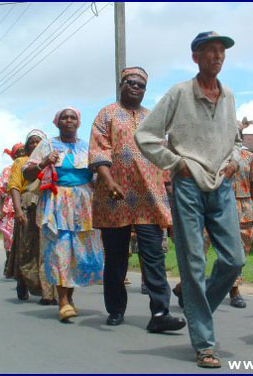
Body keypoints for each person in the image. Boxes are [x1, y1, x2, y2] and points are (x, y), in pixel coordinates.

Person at [135, 31, 246, 368]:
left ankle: (195, 306)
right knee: (193, 263)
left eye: (221, 51)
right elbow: (146, 136)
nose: (218, 56)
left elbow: (237, 142)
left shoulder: (228, 95)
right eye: (210, 51)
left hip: (221, 185)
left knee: (235, 260)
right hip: (188, 186)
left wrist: (235, 163)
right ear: (196, 57)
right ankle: (204, 343)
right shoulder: (180, 92)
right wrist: (176, 163)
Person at [89, 66, 186, 333]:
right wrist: (108, 182)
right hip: (114, 196)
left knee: (153, 256)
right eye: (130, 82)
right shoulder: (106, 114)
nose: (135, 87)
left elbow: (164, 157)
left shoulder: (153, 118)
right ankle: (116, 309)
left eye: (141, 85)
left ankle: (160, 313)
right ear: (121, 84)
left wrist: (169, 194)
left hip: (149, 198)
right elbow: (99, 153)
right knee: (116, 257)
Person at [23, 107, 104, 322]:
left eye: (73, 117)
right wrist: (43, 162)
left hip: (83, 204)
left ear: (79, 123)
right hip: (57, 202)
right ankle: (63, 301)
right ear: (57, 122)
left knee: (77, 252)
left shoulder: (87, 148)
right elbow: (27, 173)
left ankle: (69, 296)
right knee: (59, 251)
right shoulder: (47, 145)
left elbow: (98, 176)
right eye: (64, 117)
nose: (68, 120)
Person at [5, 130, 58, 306]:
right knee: (26, 248)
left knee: (48, 249)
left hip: (48, 206)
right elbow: (14, 186)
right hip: (28, 206)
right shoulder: (22, 162)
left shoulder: (52, 160)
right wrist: (18, 210)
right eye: (31, 142)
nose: (35, 145)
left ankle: (48, 292)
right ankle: (23, 280)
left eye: (38, 142)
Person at [229, 120, 253, 308]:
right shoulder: (218, 155)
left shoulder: (250, 158)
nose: (237, 135)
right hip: (220, 205)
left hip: (245, 206)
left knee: (241, 250)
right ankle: (186, 285)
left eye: (240, 132)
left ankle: (234, 287)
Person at [0, 143, 25, 273]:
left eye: (24, 151)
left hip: (27, 206)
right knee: (10, 240)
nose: (21, 154)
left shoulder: (32, 166)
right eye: (18, 152)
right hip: (11, 210)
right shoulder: (7, 171)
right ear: (14, 156)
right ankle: (10, 263)